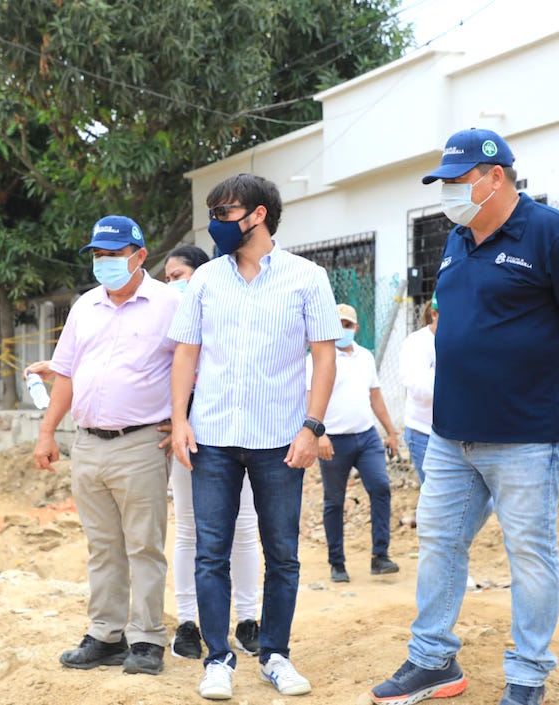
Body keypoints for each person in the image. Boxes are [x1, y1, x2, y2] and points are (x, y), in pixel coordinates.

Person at [368, 129, 559, 705]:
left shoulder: (552, 232)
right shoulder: (459, 238)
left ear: (495, 177)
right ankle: (433, 660)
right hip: (453, 433)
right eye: (444, 182)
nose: (449, 192)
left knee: (529, 551)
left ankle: (528, 676)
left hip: (527, 434)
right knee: (438, 541)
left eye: (458, 180)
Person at [168, 173, 341, 700]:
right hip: (214, 438)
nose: (216, 224)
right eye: (214, 213)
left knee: (283, 553)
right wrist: (180, 419)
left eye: (225, 213)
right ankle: (218, 659)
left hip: (280, 440)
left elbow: (325, 355)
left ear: (258, 214)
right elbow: (185, 353)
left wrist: (312, 427)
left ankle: (275, 655)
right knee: (210, 553)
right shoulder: (205, 281)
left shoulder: (307, 277)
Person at [31, 215, 182, 677]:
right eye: (98, 255)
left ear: (139, 256)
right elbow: (66, 374)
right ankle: (105, 634)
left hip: (141, 443)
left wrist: (181, 422)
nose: (104, 263)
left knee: (144, 545)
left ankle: (146, 638)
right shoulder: (84, 306)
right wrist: (47, 431)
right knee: (102, 546)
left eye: (113, 255)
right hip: (88, 445)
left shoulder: (169, 303)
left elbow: (190, 369)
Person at [163, 245, 262, 659]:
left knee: (243, 528)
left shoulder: (233, 313)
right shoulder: (167, 320)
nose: (173, 284)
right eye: (167, 278)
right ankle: (188, 622)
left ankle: (248, 620)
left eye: (179, 275)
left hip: (239, 434)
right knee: (188, 529)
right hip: (186, 435)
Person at [308, 302, 400, 583]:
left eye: (347, 325)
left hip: (367, 435)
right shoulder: (318, 358)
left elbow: (375, 396)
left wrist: (391, 431)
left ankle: (380, 556)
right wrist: (318, 433)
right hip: (333, 439)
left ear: (355, 328)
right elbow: (308, 397)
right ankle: (337, 562)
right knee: (334, 501)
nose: (342, 331)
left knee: (381, 487)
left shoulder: (366, 357)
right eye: (338, 326)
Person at [398, 293, 438, 484]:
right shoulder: (416, 343)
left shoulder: (465, 339)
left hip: (460, 434)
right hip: (424, 433)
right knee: (436, 497)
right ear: (435, 314)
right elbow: (421, 389)